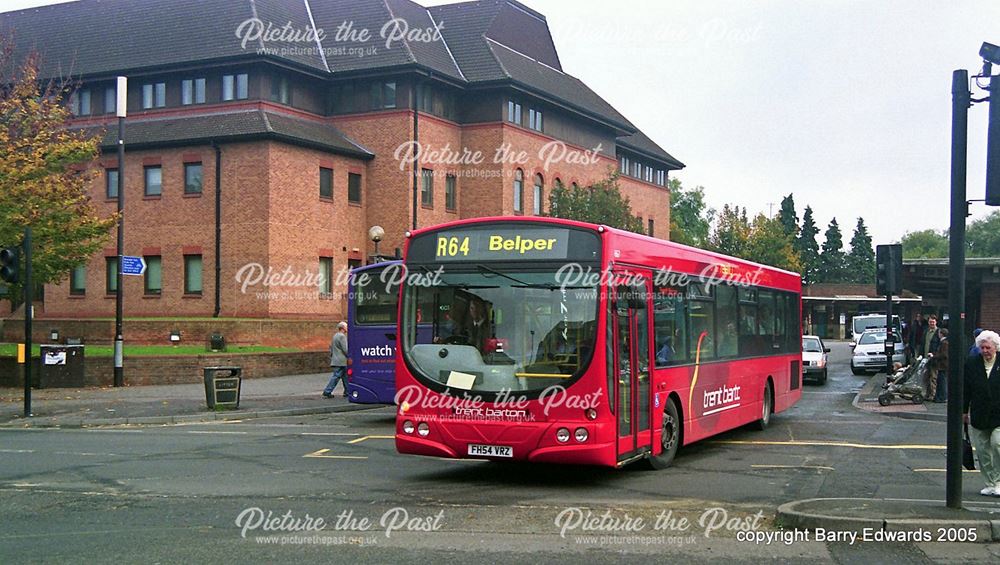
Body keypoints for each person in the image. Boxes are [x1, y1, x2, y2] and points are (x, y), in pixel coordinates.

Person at [963, 330, 1000, 497]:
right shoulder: (972, 363)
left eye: (988, 348)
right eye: (982, 348)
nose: (985, 351)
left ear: (996, 348)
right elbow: (966, 388)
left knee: (997, 444)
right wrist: (964, 411)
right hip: (979, 413)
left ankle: (999, 482)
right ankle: (990, 483)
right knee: (983, 451)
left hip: (998, 413)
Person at [323, 321, 349, 398]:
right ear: (343, 328)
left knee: (345, 377)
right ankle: (327, 391)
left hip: (336, 360)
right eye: (346, 327)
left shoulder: (335, 336)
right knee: (336, 376)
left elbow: (331, 348)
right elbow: (345, 349)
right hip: (341, 361)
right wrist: (350, 356)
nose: (347, 328)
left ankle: (347, 392)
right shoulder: (342, 337)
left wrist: (332, 356)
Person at [920, 315, 942, 399]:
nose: (931, 323)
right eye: (930, 322)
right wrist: (920, 355)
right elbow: (923, 344)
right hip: (925, 358)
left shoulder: (938, 332)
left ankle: (933, 395)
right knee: (926, 377)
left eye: (933, 322)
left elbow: (940, 346)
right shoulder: (926, 331)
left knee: (933, 377)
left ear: (936, 322)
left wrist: (935, 354)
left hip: (934, 359)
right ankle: (927, 393)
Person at [932, 328, 949, 403]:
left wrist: (934, 356)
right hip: (942, 365)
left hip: (943, 365)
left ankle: (943, 397)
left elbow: (944, 354)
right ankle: (939, 396)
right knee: (941, 380)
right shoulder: (943, 342)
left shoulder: (944, 343)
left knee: (942, 381)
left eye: (939, 333)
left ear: (941, 334)